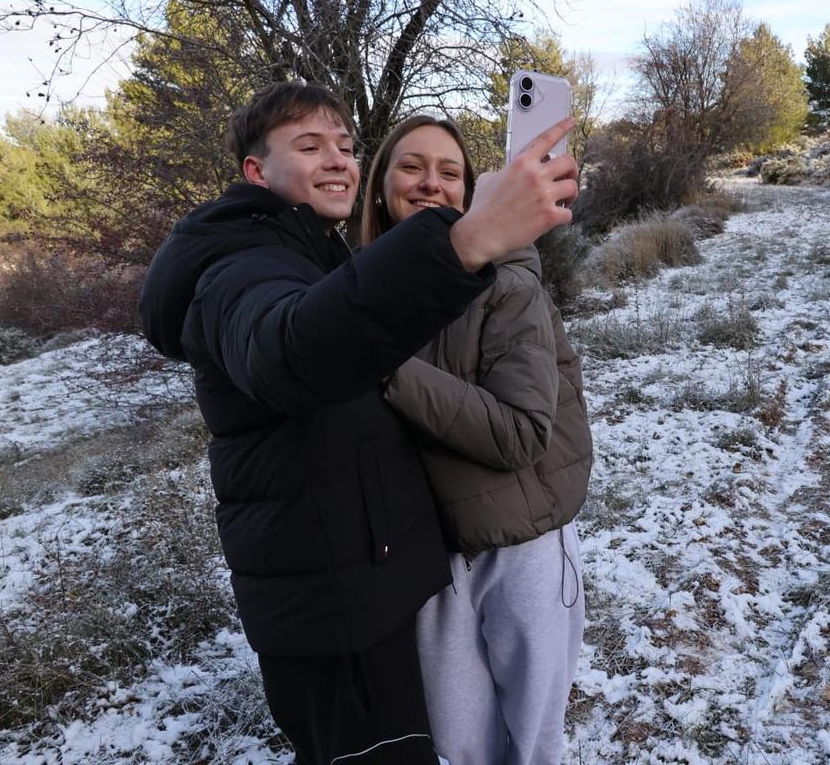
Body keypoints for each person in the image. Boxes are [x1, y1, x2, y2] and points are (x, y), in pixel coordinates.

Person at [137, 82, 578, 765]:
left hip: (462, 562)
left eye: (345, 145)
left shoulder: (339, 262)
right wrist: (464, 246)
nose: (337, 159)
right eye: (309, 147)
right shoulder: (250, 265)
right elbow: (287, 346)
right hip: (358, 601)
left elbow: (517, 431)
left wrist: (464, 263)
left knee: (524, 743)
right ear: (255, 171)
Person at [360, 115, 591, 765]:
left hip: (524, 549)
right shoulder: (357, 294)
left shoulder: (507, 278)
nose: (430, 182)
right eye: (411, 165)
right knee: (460, 747)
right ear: (381, 185)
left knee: (532, 741)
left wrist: (386, 368)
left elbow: (520, 432)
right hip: (430, 561)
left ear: (468, 193)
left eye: (450, 171)